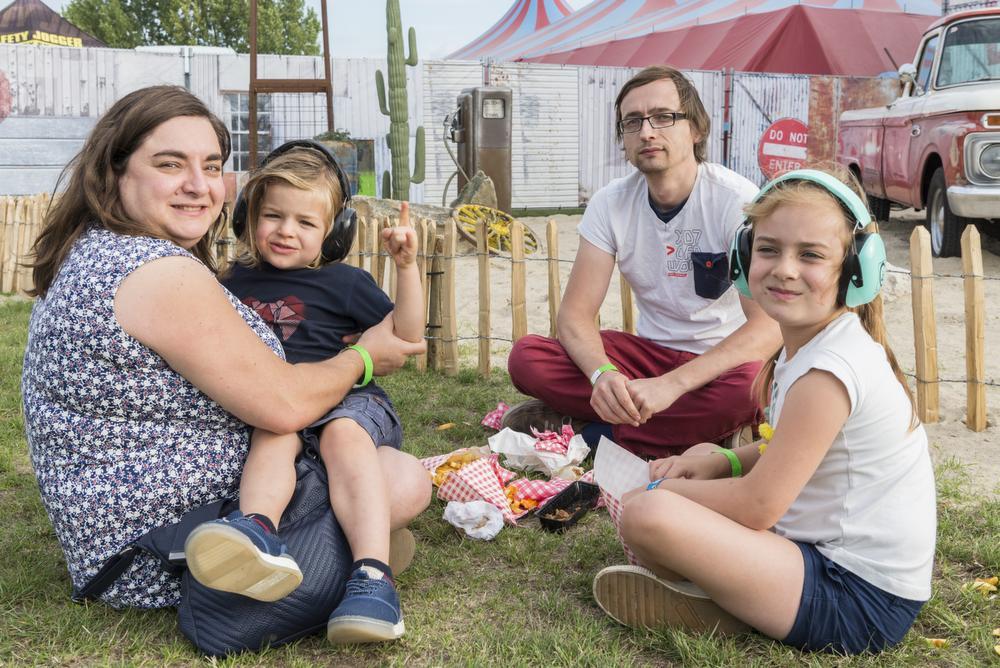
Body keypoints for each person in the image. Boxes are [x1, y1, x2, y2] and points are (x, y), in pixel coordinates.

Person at [21, 86, 428, 614]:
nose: (197, 186)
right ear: (114, 171)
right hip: (172, 551)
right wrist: (363, 358)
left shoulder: (101, 252)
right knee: (402, 478)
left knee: (364, 460)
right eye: (170, 164)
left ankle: (338, 550)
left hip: (122, 545)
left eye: (211, 166)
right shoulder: (155, 273)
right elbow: (283, 405)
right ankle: (358, 562)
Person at [591, 167, 936, 655]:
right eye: (768, 249)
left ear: (855, 269)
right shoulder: (815, 345)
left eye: (811, 255)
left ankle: (737, 608)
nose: (784, 268)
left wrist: (661, 489)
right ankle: (734, 605)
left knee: (648, 514)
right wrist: (722, 462)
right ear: (744, 256)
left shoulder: (828, 371)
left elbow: (758, 506)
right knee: (699, 464)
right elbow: (784, 447)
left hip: (859, 601)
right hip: (824, 565)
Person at [183, 143, 424, 644]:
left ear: (334, 234)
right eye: (272, 215)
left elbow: (407, 335)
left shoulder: (345, 282)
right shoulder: (230, 280)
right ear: (249, 218)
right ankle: (257, 533)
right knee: (275, 428)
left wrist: (405, 266)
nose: (286, 231)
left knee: (341, 437)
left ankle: (373, 578)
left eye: (306, 223)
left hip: (348, 402)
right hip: (282, 404)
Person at [504, 65, 781, 459]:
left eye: (664, 117)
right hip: (646, 358)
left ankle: (596, 436)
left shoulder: (734, 201)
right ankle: (688, 434)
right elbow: (575, 317)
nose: (647, 131)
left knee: (753, 387)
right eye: (632, 122)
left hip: (720, 363)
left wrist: (673, 386)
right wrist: (603, 375)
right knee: (527, 358)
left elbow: (768, 328)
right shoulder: (610, 203)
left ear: (696, 129)